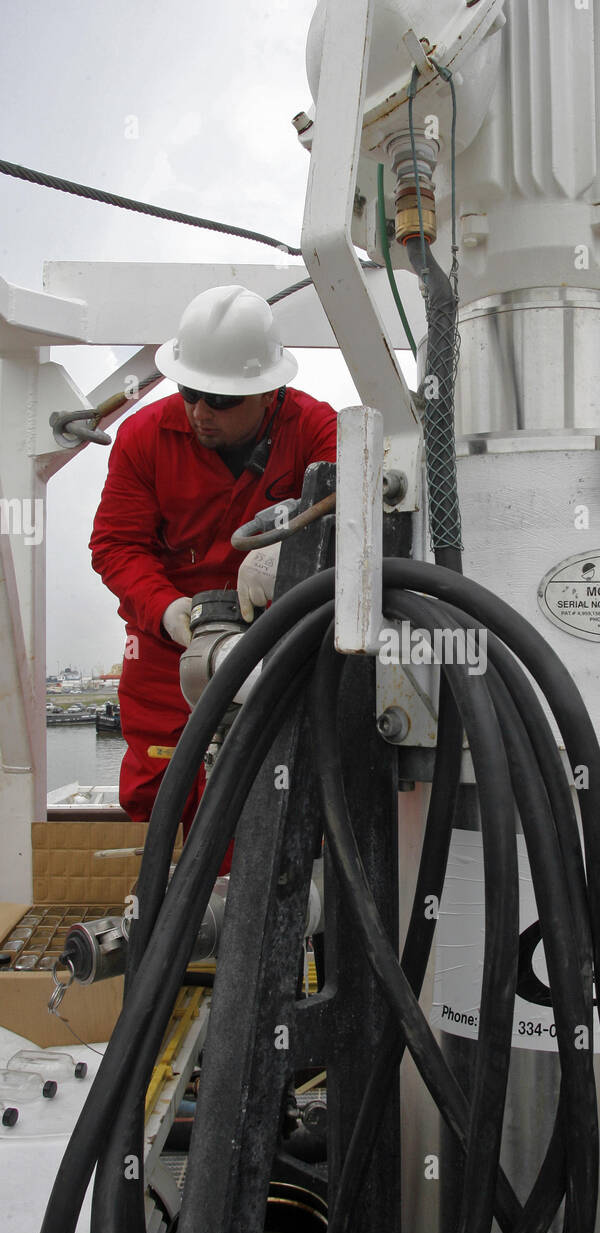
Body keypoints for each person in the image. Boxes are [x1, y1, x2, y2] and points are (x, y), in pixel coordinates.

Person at [90, 284, 337, 838]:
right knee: (160, 791)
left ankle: (245, 913)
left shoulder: (315, 429)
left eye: (221, 401)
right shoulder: (143, 438)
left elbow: (362, 510)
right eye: (189, 392)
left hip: (274, 640)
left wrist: (287, 547)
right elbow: (115, 545)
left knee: (264, 782)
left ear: (268, 393)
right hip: (169, 647)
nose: (200, 412)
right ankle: (162, 907)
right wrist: (167, 608)